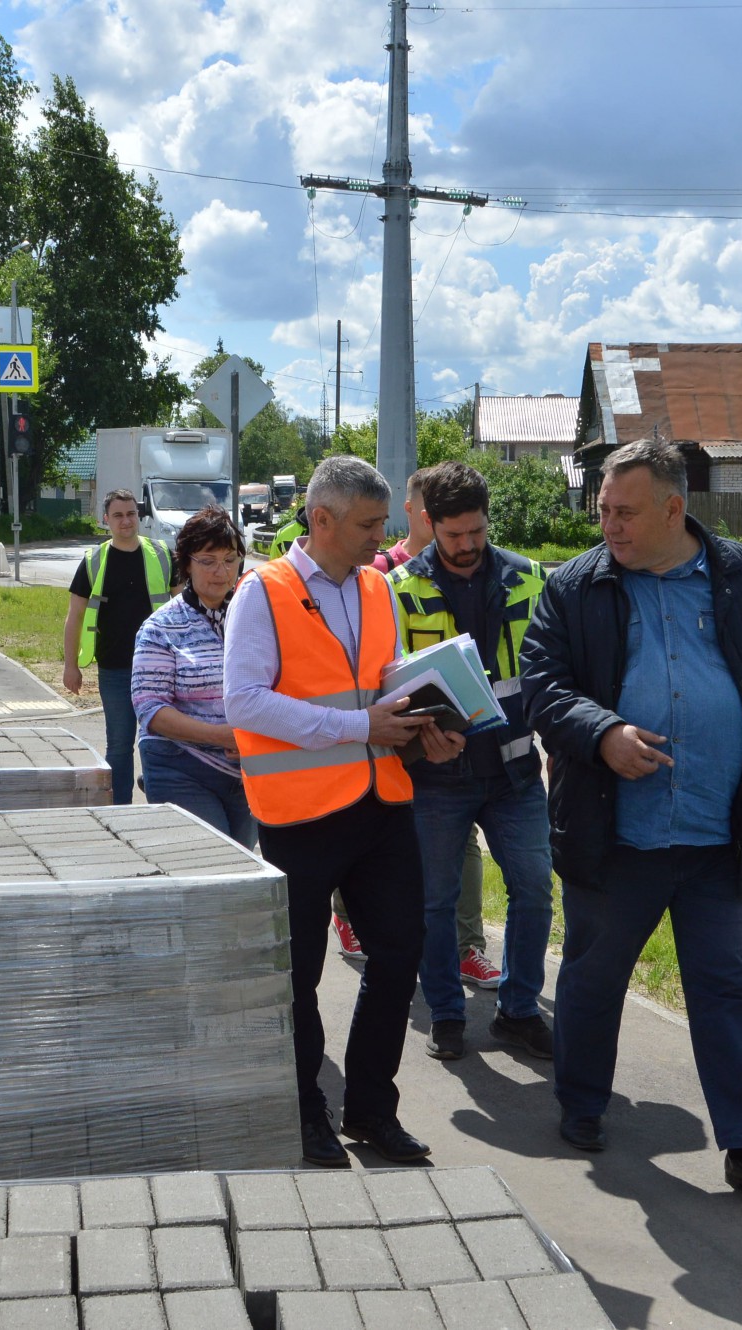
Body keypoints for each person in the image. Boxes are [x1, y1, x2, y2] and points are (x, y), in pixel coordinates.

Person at [522, 437, 742, 1207]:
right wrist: (603, 732)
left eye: (624, 513)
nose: (609, 527)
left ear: (673, 509)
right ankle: (583, 1105)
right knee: (594, 978)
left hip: (723, 831)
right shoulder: (575, 587)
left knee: (727, 991)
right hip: (617, 831)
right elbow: (543, 687)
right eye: (602, 511)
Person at [224, 454, 463, 1168]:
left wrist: (429, 726)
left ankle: (370, 1110)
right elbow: (244, 701)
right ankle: (305, 1113)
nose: (378, 538)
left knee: (398, 954)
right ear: (320, 519)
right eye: (366, 525)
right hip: (299, 815)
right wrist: (362, 728)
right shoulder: (260, 592)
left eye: (383, 524)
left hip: (382, 800)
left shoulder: (377, 588)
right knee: (299, 973)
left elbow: (381, 682)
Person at [389, 461, 554, 1063]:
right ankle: (448, 1014)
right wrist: (419, 734)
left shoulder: (530, 579)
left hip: (514, 773)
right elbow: (383, 687)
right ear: (429, 523)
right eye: (454, 535)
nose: (466, 546)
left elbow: (551, 674)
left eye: (477, 533)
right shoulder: (398, 589)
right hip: (435, 778)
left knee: (534, 891)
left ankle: (518, 1011)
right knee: (435, 900)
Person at [322, 470, 501, 991]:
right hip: (380, 745)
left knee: (457, 847)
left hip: (445, 742)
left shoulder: (474, 568)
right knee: (375, 845)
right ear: (423, 516)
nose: (384, 528)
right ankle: (351, 915)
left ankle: (465, 948)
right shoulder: (380, 573)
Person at [132, 507, 256, 847]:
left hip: (247, 770)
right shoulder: (160, 627)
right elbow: (151, 711)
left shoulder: (254, 620)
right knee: (218, 864)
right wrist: (222, 737)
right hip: (180, 766)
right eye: (208, 560)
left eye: (230, 559)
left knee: (242, 870)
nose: (221, 571)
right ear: (186, 563)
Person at [64, 491, 172, 804]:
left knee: (160, 741)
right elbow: (75, 616)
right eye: (118, 515)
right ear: (106, 520)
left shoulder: (163, 555)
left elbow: (183, 607)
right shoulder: (94, 561)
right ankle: (120, 808)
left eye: (131, 514)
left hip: (160, 669)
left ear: (139, 518)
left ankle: (163, 802)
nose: (126, 521)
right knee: (120, 745)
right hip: (114, 668)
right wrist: (71, 666)